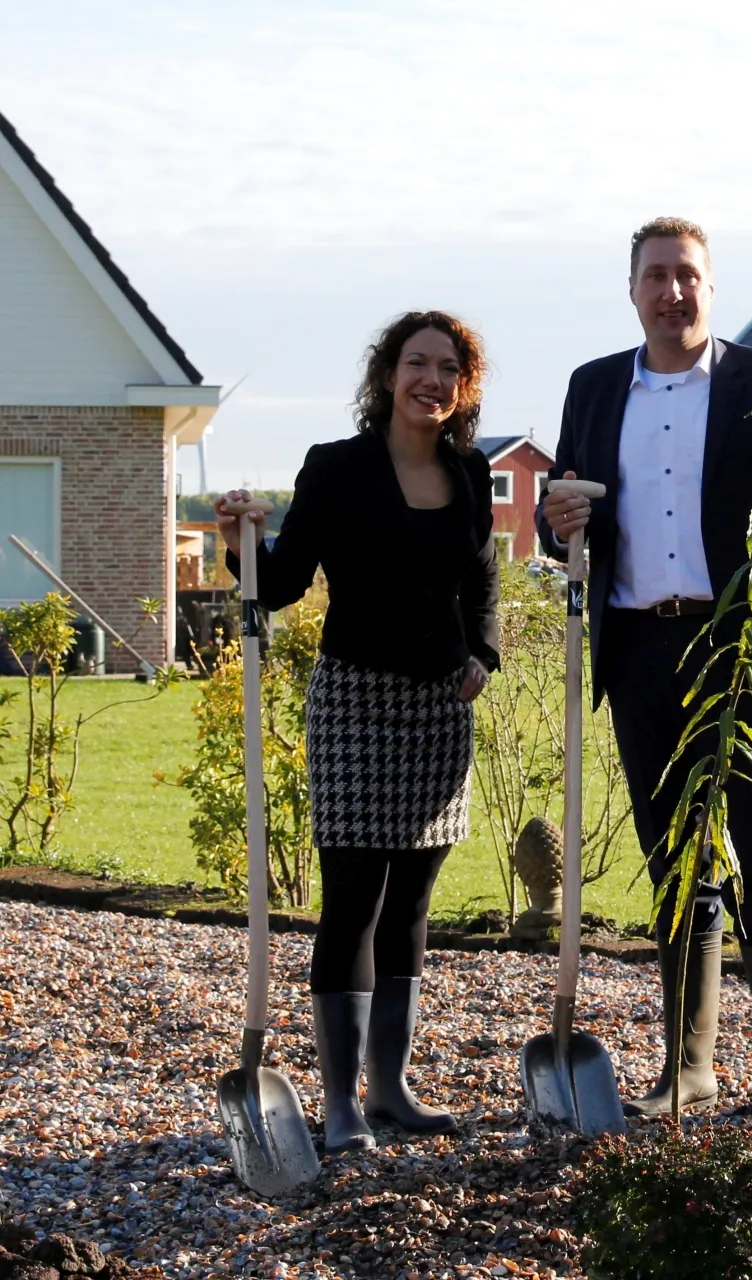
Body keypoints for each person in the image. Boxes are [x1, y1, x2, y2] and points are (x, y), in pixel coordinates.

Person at [539, 217, 752, 1132]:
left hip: (738, 647)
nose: (673, 292)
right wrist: (558, 522)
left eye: (688, 276)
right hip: (637, 649)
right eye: (656, 277)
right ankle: (688, 1066)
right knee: (674, 856)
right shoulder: (593, 387)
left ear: (711, 286)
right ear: (633, 291)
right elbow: (565, 513)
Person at [215, 310, 499, 1153]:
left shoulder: (473, 471)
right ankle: (341, 1102)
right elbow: (282, 582)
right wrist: (242, 545)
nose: (433, 381)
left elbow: (480, 579)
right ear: (386, 376)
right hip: (355, 704)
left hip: (438, 713)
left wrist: (482, 651)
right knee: (354, 901)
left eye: (449, 368)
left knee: (411, 905)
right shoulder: (336, 469)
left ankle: (392, 1090)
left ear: (463, 385)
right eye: (418, 364)